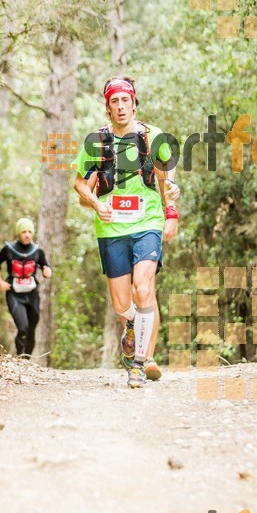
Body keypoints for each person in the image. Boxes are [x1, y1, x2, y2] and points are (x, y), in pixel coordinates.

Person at [73, 76, 180, 388]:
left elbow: (167, 172)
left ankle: (141, 361)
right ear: (108, 109)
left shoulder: (152, 136)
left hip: (147, 221)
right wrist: (95, 203)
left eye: (125, 101)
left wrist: (171, 208)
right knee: (123, 305)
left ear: (135, 104)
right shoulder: (96, 142)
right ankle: (133, 327)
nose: (120, 107)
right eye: (114, 102)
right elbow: (80, 184)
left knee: (143, 289)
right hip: (111, 228)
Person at [0, 218, 52, 357]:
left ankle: (26, 359)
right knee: (23, 327)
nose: (27, 235)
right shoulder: (8, 249)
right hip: (14, 294)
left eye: (30, 232)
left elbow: (45, 265)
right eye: (24, 231)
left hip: (32, 294)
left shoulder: (37, 251)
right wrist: (0, 281)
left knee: (31, 329)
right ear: (18, 233)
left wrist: (47, 270)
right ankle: (19, 355)